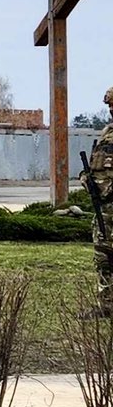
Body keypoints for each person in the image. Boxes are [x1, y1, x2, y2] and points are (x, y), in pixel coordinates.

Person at [85, 87, 113, 316]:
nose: (112, 109)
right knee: (103, 257)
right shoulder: (107, 132)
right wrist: (87, 179)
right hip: (104, 208)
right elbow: (98, 164)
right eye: (109, 105)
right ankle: (107, 305)